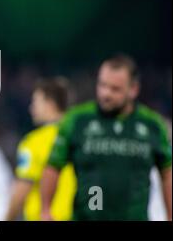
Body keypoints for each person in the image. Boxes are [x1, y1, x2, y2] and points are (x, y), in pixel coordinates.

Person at [40, 54, 172, 221]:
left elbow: (167, 172)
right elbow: (53, 166)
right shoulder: (77, 121)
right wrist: (45, 210)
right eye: (102, 85)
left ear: (133, 89)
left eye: (115, 89)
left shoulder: (152, 125)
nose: (105, 94)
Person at [6, 77, 76, 221]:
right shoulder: (79, 136)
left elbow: (22, 188)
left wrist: (8, 218)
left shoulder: (34, 142)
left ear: (49, 104)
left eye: (35, 102)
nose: (31, 108)